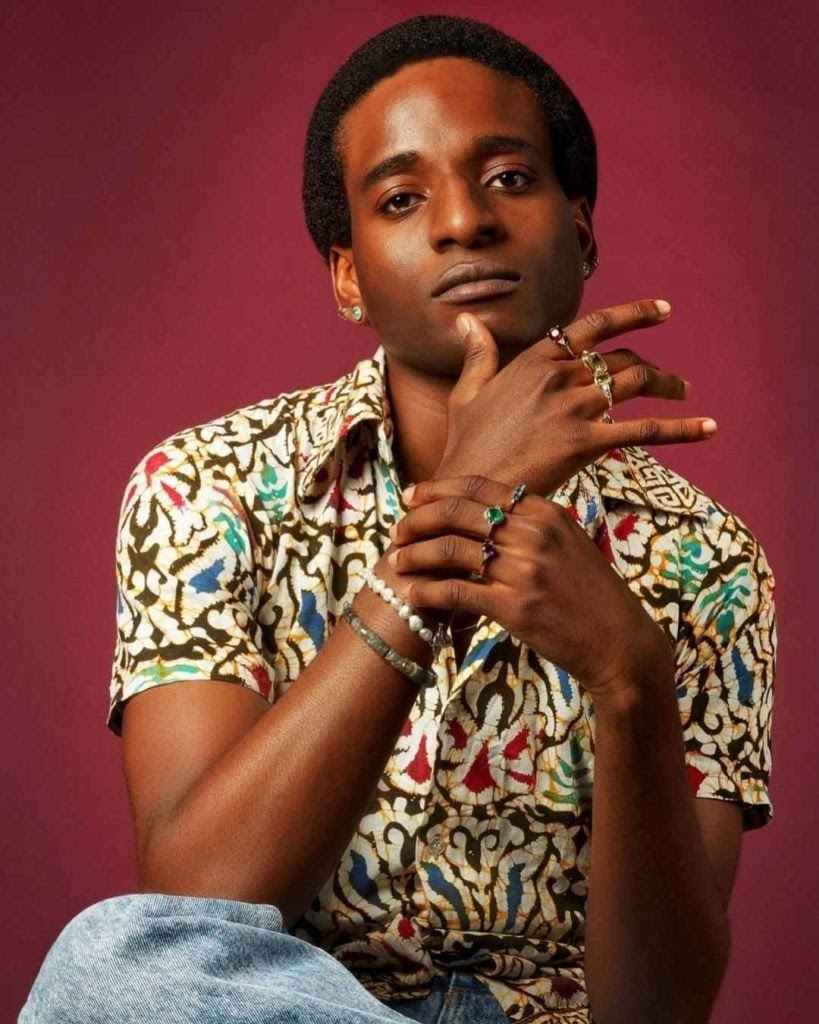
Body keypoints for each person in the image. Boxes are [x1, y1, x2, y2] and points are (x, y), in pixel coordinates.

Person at [19, 13, 776, 1024]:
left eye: (509, 177)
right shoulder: (208, 488)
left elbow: (659, 1014)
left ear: (583, 231)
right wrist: (449, 527)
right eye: (402, 198)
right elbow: (194, 903)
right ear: (347, 275)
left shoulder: (705, 559)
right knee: (113, 955)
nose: (463, 221)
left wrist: (629, 675)